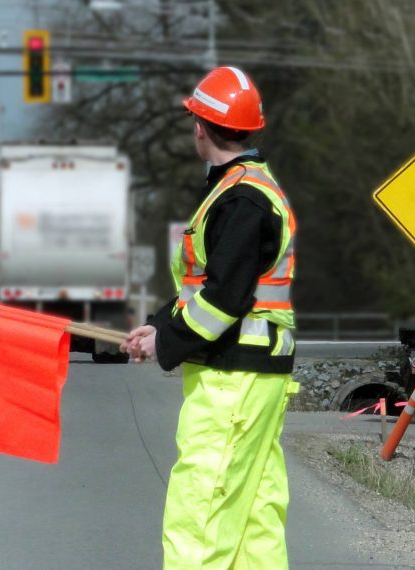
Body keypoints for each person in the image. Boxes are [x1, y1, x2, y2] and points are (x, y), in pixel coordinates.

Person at [120, 66, 300, 569]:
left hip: (232, 381)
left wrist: (167, 343)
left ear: (201, 126)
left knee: (200, 514)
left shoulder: (241, 199)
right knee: (254, 519)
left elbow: (223, 300)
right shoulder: (245, 189)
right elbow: (202, 287)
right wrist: (161, 325)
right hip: (253, 377)